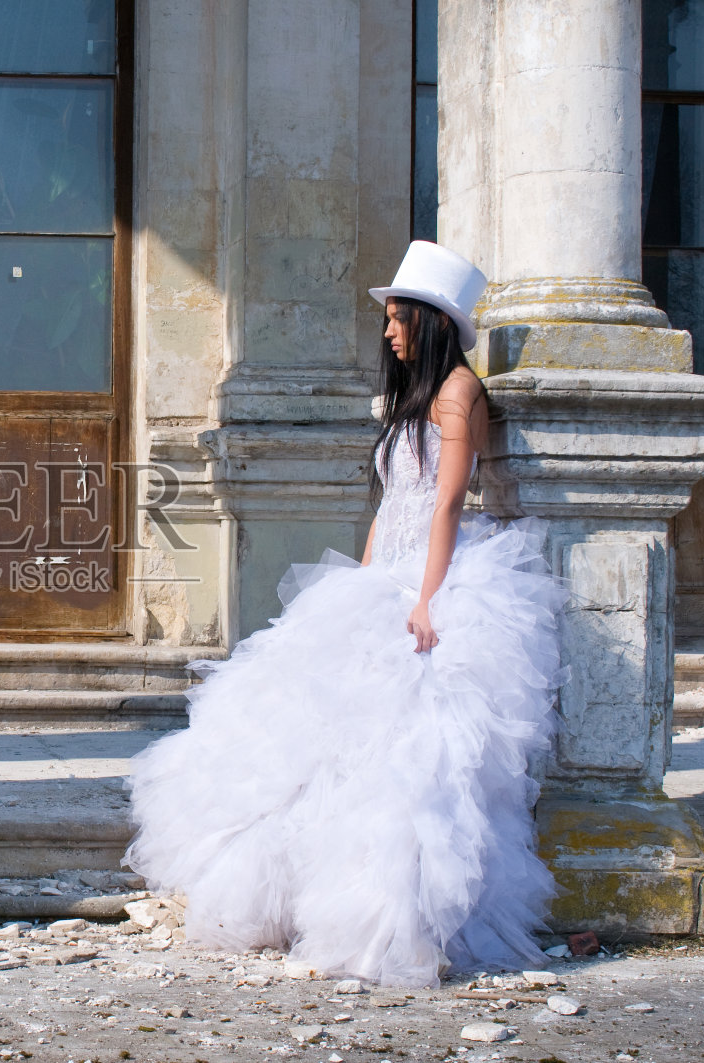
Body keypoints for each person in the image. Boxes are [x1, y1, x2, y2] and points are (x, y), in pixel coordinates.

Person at [125, 241, 568, 988]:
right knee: (312, 733)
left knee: (407, 758)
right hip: (387, 574)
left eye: (400, 320)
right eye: (389, 320)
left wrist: (426, 599)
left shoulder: (460, 394)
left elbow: (449, 504)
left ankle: (390, 921)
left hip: (433, 579)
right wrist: (362, 586)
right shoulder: (414, 402)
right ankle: (294, 896)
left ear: (432, 322)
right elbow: (392, 503)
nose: (390, 333)